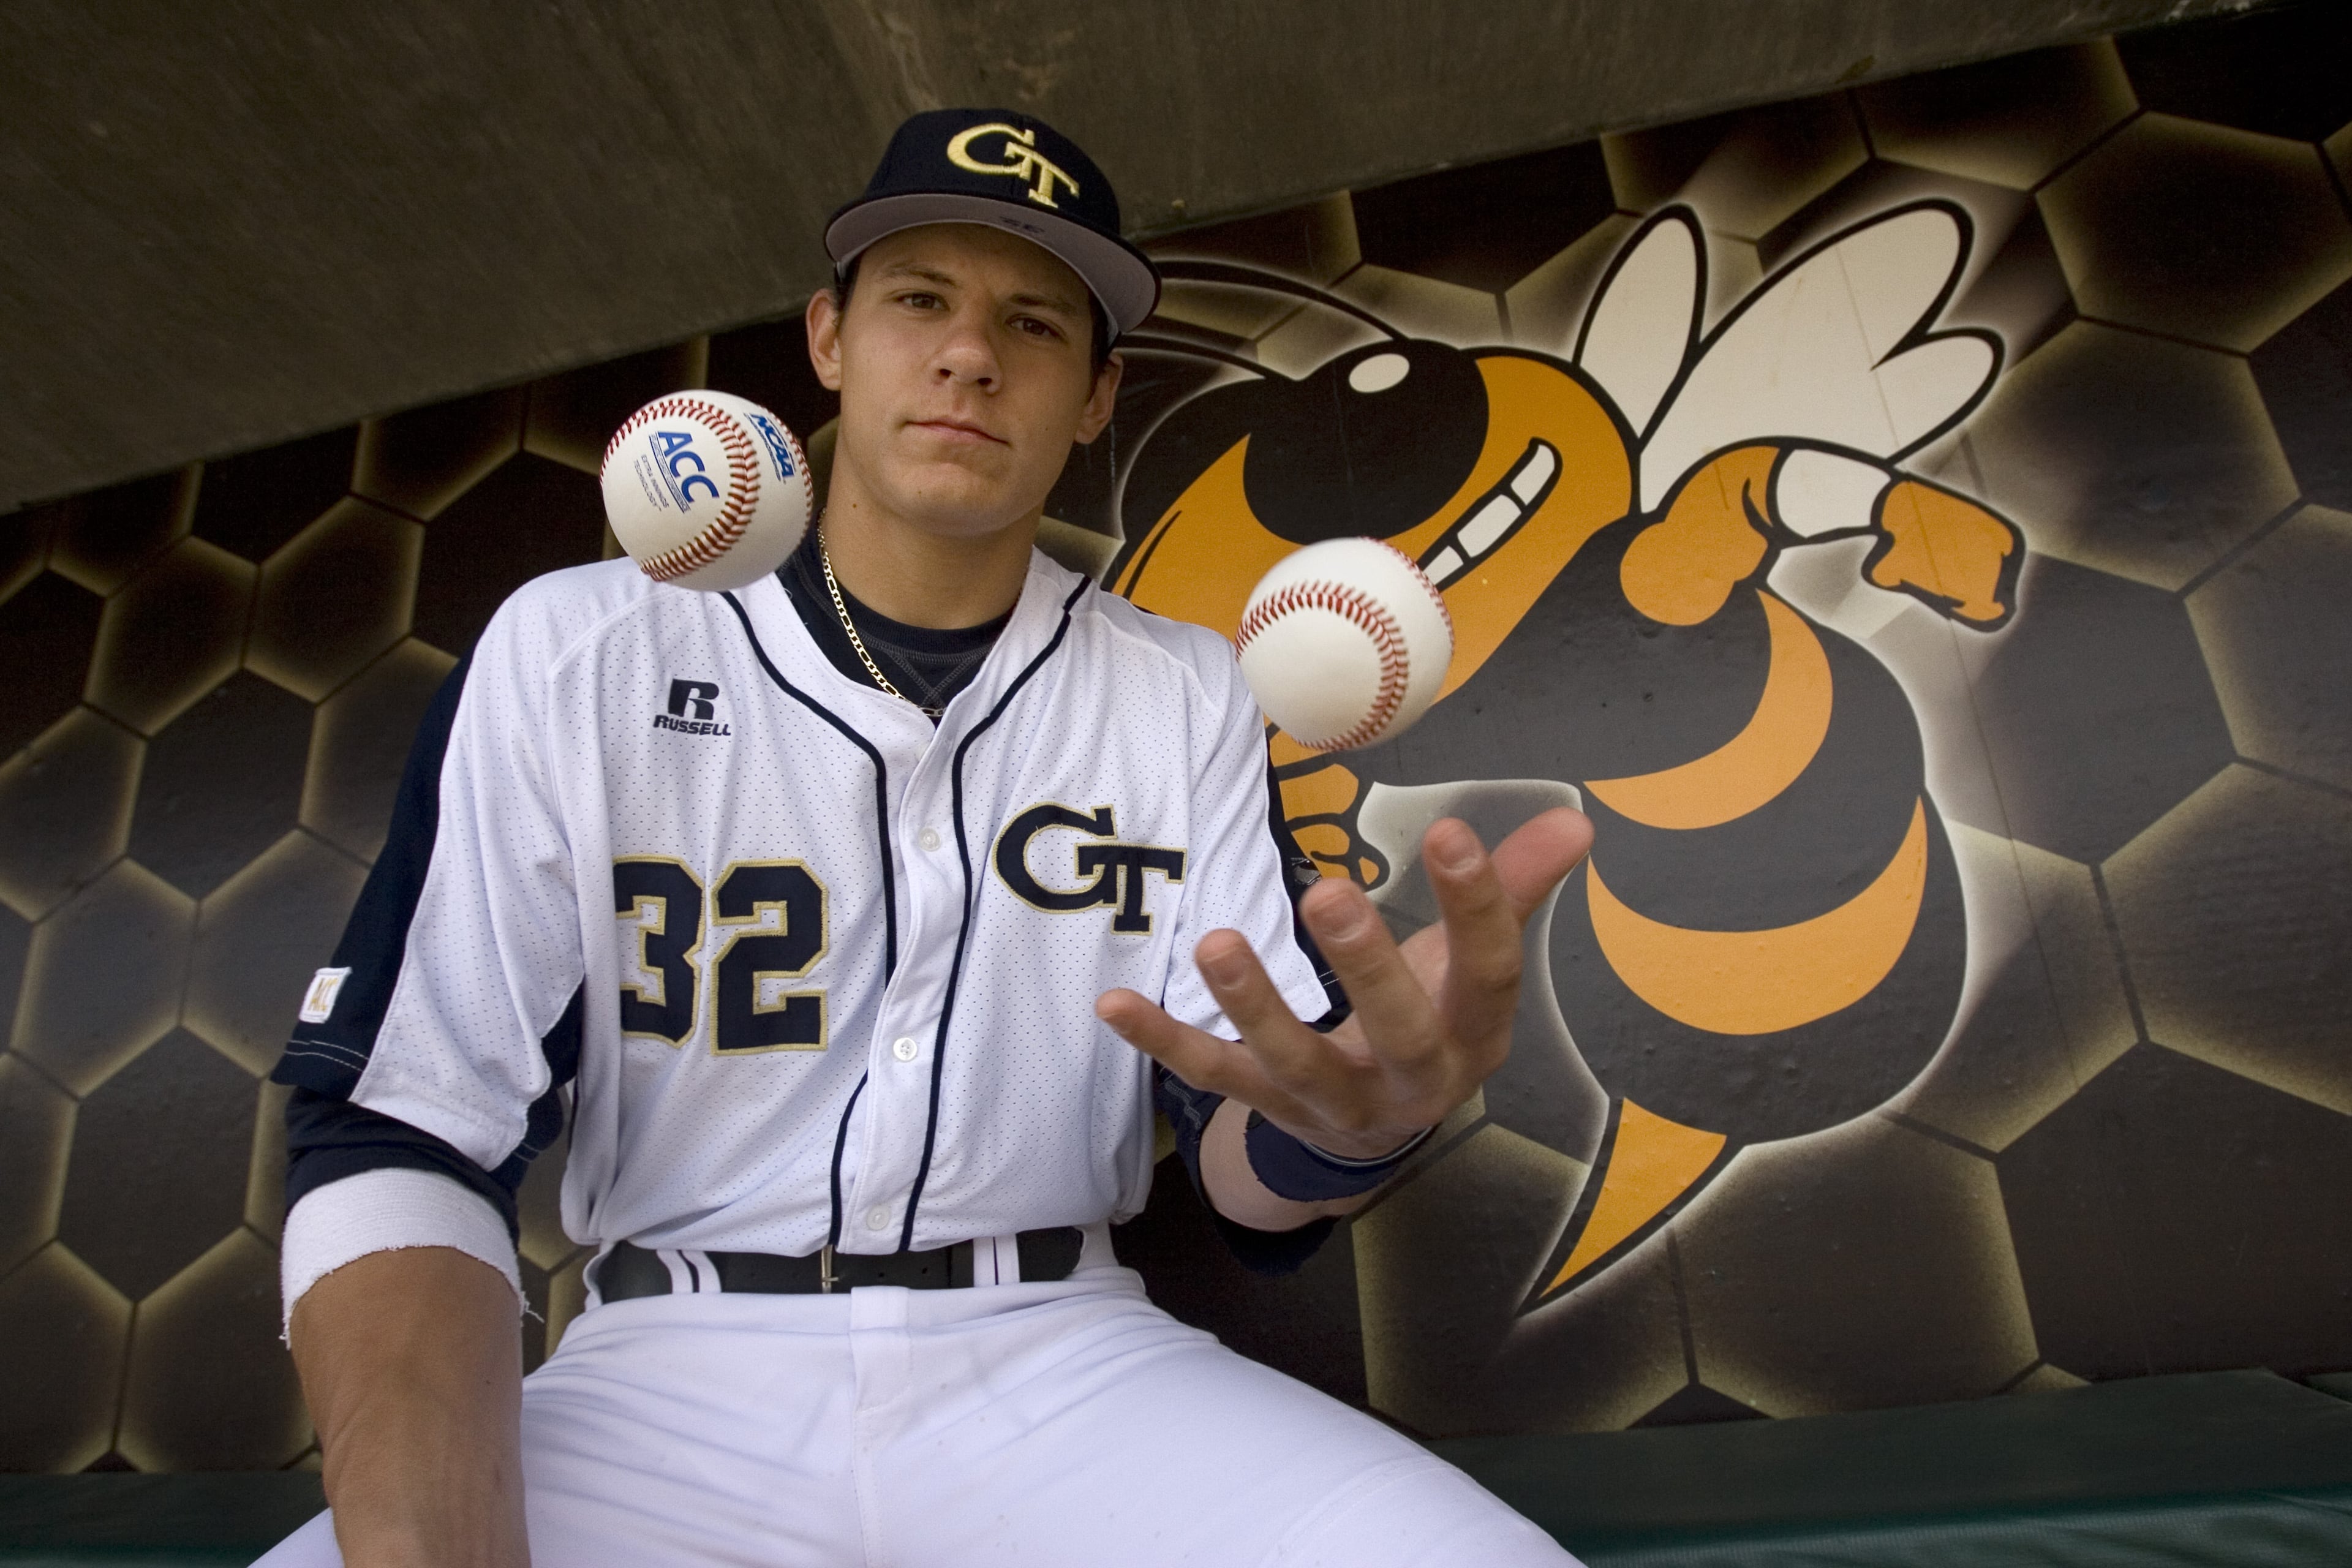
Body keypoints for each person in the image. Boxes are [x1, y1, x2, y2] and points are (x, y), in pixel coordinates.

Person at [256, 108, 1594, 1568]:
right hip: (661, 1371)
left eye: (1034, 321)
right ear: (830, 338)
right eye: (920, 300)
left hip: (1063, 1360)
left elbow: (1245, 1144)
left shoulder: (1182, 690)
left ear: (1095, 398)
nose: (971, 353)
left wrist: (1359, 1122)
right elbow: (401, 1121)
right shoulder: (583, 645)